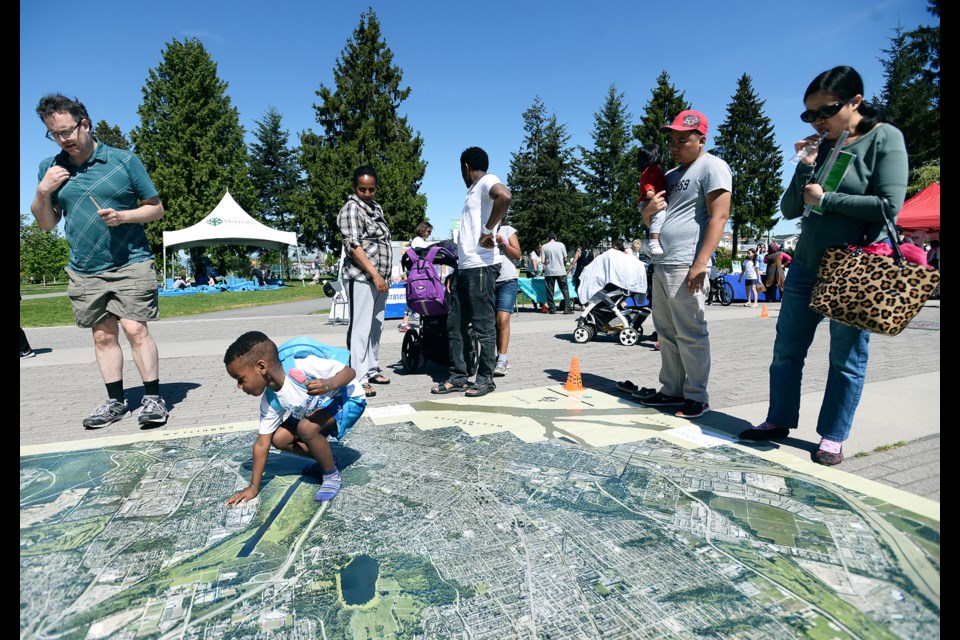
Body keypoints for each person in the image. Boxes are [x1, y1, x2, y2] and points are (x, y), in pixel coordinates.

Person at [739, 66, 909, 467]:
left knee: (846, 357)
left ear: (855, 102)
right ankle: (778, 419)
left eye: (825, 110)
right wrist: (805, 163)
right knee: (786, 351)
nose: (817, 120)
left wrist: (828, 199)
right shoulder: (826, 145)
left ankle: (833, 435)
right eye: (809, 114)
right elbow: (791, 208)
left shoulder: (885, 138)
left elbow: (889, 207)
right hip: (806, 266)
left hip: (853, 267)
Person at [30, 94, 168, 428]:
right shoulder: (50, 169)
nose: (64, 139)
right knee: (103, 337)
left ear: (85, 124)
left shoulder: (123, 160)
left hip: (129, 261)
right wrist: (41, 192)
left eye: (67, 131)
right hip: (85, 269)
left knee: (135, 328)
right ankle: (115, 402)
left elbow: (156, 208)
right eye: (55, 134)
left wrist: (123, 217)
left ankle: (153, 397)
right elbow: (47, 224)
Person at [638, 109, 732, 419]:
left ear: (701, 139)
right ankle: (671, 390)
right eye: (672, 140)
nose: (675, 146)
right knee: (665, 332)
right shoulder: (672, 176)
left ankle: (696, 396)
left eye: (683, 140)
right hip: (662, 261)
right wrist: (646, 211)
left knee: (691, 331)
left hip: (686, 262)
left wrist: (701, 262)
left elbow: (719, 216)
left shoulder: (713, 167)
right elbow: (651, 214)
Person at [223, 331, 365, 505]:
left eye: (240, 379)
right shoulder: (271, 399)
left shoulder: (301, 366)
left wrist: (328, 384)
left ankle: (330, 474)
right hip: (318, 409)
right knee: (279, 438)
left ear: (261, 367)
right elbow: (262, 443)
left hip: (348, 398)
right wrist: (253, 486)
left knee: (305, 428)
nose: (238, 386)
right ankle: (326, 459)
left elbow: (349, 372)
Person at [432, 147, 512, 397]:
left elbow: (505, 197)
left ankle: (485, 378)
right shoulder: (473, 192)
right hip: (466, 267)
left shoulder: (487, 180)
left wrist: (488, 231)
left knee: (483, 325)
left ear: (465, 167)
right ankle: (458, 376)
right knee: (455, 325)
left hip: (481, 266)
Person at [337, 165, 392, 397]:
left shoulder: (375, 208)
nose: (367, 193)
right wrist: (375, 274)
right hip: (362, 278)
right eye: (362, 189)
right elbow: (354, 247)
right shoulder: (351, 209)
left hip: (380, 279)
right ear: (354, 187)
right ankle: (358, 377)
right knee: (360, 328)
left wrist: (385, 275)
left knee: (376, 326)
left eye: (371, 189)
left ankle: (371, 368)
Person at [494, 225, 522, 376]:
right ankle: (495, 356)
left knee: (502, 320)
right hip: (488, 281)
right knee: (491, 323)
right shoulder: (481, 231)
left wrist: (502, 242)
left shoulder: (506, 230)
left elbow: (517, 255)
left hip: (507, 281)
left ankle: (502, 360)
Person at [400, 220, 434, 332]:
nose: (430, 234)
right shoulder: (418, 241)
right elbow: (420, 255)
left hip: (417, 271)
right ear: (424, 230)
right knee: (416, 295)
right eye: (429, 231)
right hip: (418, 272)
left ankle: (409, 321)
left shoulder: (418, 240)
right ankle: (405, 322)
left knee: (417, 296)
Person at [637, 143, 667, 255]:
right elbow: (647, 181)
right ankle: (653, 241)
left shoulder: (654, 169)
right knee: (660, 216)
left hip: (649, 201)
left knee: (658, 222)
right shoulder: (652, 169)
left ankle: (649, 241)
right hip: (649, 200)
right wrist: (649, 190)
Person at [542, 232, 572, 314]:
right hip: (561, 271)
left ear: (547, 239)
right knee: (565, 290)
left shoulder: (544, 247)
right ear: (555, 238)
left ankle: (552, 309)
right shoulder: (561, 245)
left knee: (550, 291)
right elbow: (565, 258)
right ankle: (567, 309)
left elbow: (543, 261)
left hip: (549, 272)